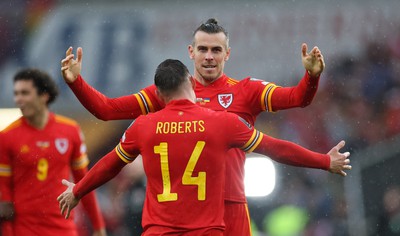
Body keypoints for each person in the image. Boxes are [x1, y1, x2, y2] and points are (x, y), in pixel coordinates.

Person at [61, 18, 326, 235]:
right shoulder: (169, 92)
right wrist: (76, 83)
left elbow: (297, 99)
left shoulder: (247, 91)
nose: (209, 57)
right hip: (184, 212)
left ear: (227, 54)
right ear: (191, 52)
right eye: (203, 49)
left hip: (231, 204)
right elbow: (107, 110)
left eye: (216, 50)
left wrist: (311, 77)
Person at [0, 68, 106, 236]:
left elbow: (84, 182)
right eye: (16, 93)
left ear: (44, 96)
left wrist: (99, 226)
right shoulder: (6, 136)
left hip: (62, 226)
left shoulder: (70, 131)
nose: (18, 99)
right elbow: (4, 192)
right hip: (24, 228)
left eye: (25, 93)